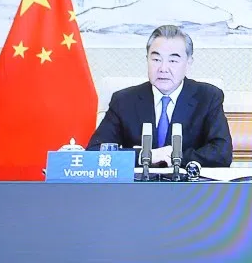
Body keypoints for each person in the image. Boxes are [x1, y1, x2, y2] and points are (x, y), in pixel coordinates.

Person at [87, 25, 233, 168]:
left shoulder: (207, 97)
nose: (163, 69)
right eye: (156, 60)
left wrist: (176, 157)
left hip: (188, 189)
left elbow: (222, 153)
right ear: (147, 59)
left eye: (173, 60)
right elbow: (95, 152)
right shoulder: (124, 100)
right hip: (137, 190)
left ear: (188, 63)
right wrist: (146, 156)